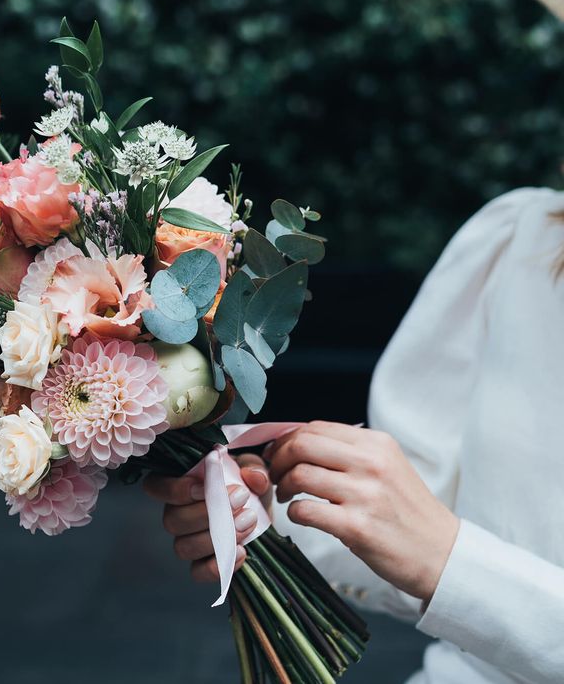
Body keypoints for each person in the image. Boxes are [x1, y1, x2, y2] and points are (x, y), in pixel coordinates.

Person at [144, 93, 564, 684]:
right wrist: (265, 520)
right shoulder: (525, 238)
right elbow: (418, 523)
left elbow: (440, 551)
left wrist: (455, 564)